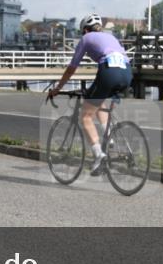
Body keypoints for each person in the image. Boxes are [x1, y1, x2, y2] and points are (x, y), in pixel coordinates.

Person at [48, 14, 132, 176]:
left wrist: (58, 88)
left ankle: (99, 155)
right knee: (98, 100)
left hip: (109, 72)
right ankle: (109, 136)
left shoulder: (86, 38)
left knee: (85, 117)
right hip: (127, 73)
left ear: (85, 30)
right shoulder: (111, 37)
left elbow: (72, 68)